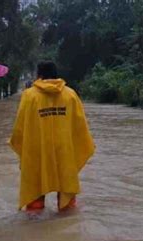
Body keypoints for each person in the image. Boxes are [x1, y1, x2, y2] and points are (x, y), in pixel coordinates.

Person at [9, 61, 95, 215]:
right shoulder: (70, 95)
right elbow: (80, 128)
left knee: (34, 200)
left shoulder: (29, 96)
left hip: (38, 151)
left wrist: (19, 145)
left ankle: (34, 228)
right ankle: (66, 221)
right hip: (65, 152)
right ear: (56, 74)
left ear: (39, 75)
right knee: (67, 206)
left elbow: (20, 128)